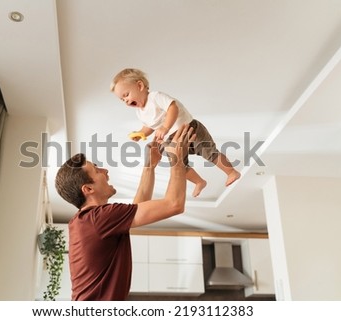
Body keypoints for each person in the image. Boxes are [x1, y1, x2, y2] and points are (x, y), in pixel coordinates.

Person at [55, 124, 195, 301]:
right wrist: (177, 158)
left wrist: (149, 166)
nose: (105, 171)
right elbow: (174, 204)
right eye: (97, 170)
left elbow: (138, 208)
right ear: (88, 189)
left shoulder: (90, 220)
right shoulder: (97, 219)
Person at [110, 68, 241, 197]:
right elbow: (149, 126)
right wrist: (141, 133)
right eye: (122, 99)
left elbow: (173, 108)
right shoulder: (140, 112)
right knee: (178, 165)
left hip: (189, 129)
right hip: (174, 141)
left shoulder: (155, 97)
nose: (126, 100)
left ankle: (231, 172)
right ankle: (199, 182)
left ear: (140, 85)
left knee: (209, 153)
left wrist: (165, 128)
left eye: (126, 95)